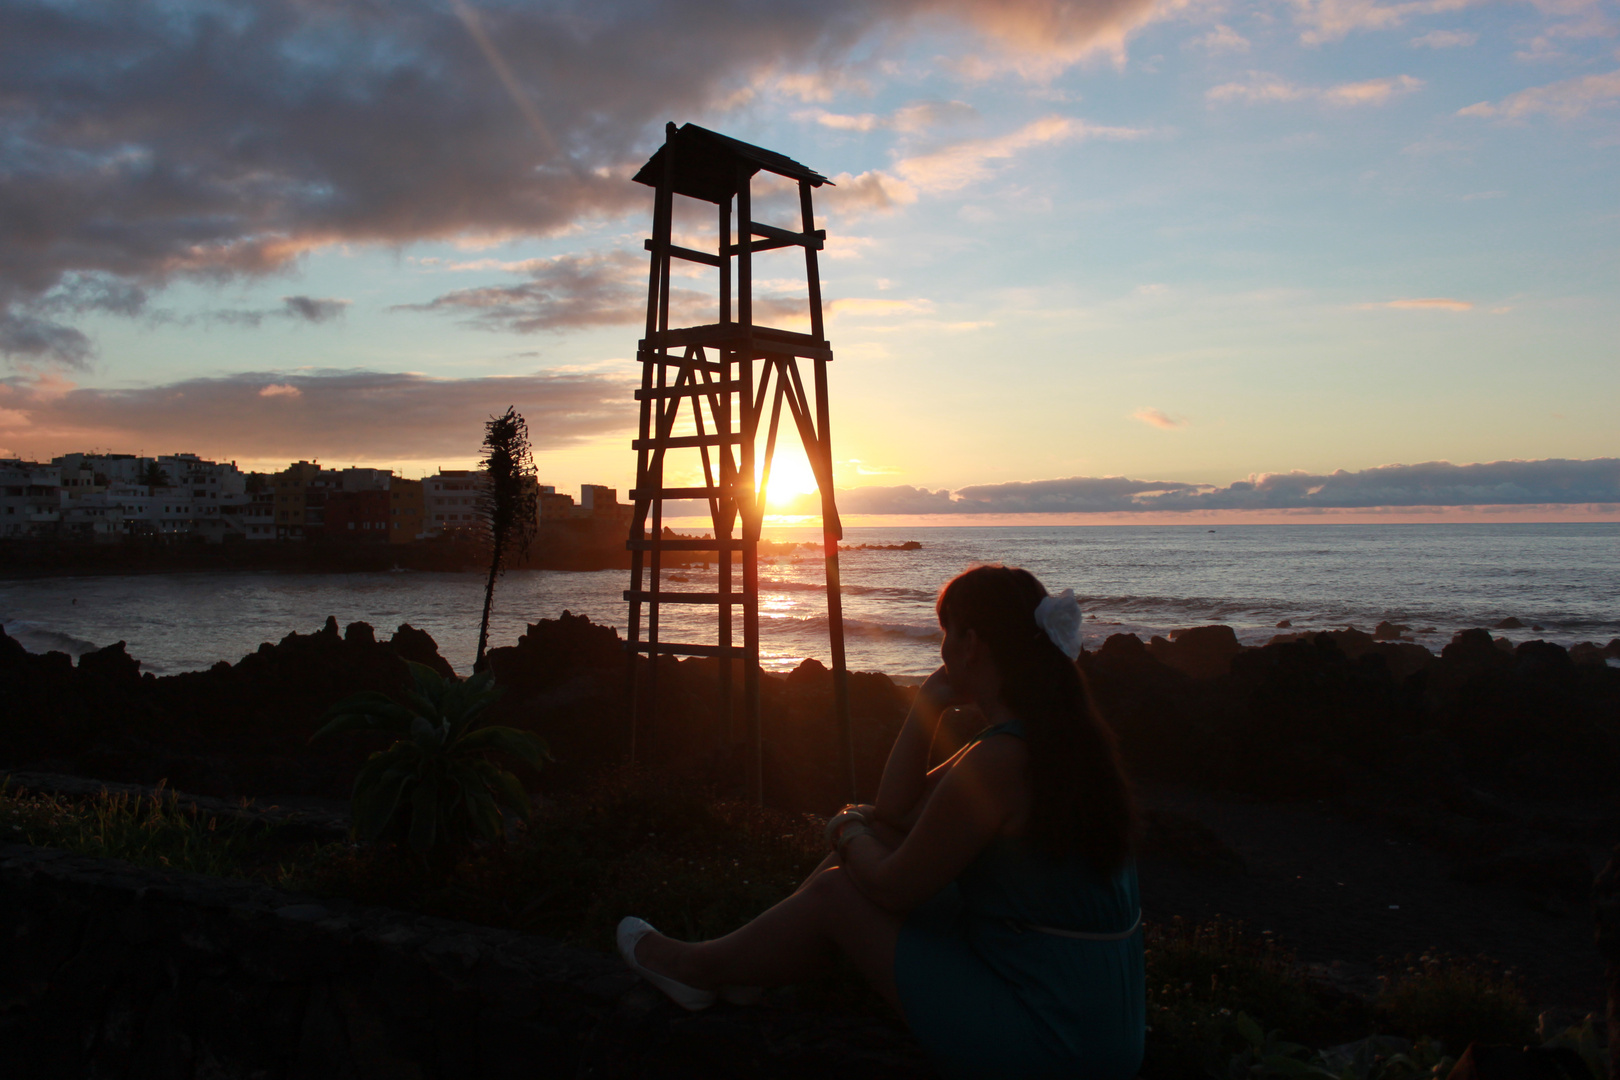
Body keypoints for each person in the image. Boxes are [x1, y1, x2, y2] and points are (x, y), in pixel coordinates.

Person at [618, 564, 1144, 1079]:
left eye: (946, 633)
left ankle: (699, 969)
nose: (940, 651)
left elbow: (892, 889)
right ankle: (746, 967)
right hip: (1091, 1024)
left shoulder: (1002, 760)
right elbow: (896, 815)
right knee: (876, 838)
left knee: (837, 893)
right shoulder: (1053, 736)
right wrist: (928, 702)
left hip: (1048, 1042)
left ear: (972, 643)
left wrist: (846, 831)